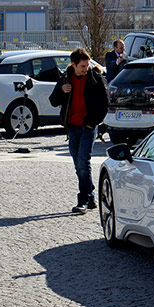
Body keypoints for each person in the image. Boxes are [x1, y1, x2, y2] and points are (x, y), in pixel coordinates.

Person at [50, 48, 110, 214]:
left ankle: (82, 200)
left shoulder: (95, 78)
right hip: (72, 127)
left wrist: (92, 123)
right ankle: (90, 196)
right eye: (83, 66)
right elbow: (53, 101)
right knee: (79, 165)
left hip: (87, 127)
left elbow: (105, 104)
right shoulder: (65, 78)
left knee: (84, 162)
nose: (86, 68)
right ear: (74, 65)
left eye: (87, 65)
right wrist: (61, 90)